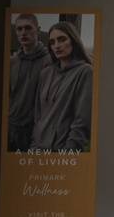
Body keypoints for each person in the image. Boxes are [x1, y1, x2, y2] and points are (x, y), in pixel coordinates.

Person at [30, 20, 94, 153]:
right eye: (52, 42)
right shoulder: (45, 73)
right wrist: (34, 145)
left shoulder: (85, 72)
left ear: (73, 41)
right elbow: (37, 115)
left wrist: (68, 152)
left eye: (62, 39)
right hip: (38, 150)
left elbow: (82, 120)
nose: (57, 46)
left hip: (63, 152)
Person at [8, 12, 50, 152]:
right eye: (19, 29)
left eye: (28, 28)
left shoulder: (49, 62)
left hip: (35, 131)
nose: (23, 33)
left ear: (37, 30)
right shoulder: (12, 62)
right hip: (11, 128)